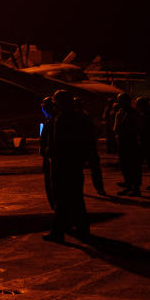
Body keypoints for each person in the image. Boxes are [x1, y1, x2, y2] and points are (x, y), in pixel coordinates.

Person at [43, 90, 104, 244]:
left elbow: (58, 143)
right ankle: (82, 229)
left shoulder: (61, 119)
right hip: (76, 164)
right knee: (77, 198)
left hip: (61, 164)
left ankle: (58, 232)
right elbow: (89, 140)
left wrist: (50, 153)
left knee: (61, 199)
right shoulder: (81, 118)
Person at [113, 92, 142, 196]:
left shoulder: (133, 113)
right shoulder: (119, 112)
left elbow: (137, 127)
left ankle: (135, 188)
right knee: (124, 165)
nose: (119, 102)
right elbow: (115, 129)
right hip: (122, 141)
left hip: (130, 141)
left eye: (121, 100)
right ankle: (129, 186)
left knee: (132, 165)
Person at [40, 96, 57, 210]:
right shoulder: (50, 121)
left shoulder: (54, 122)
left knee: (53, 186)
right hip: (49, 158)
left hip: (54, 159)